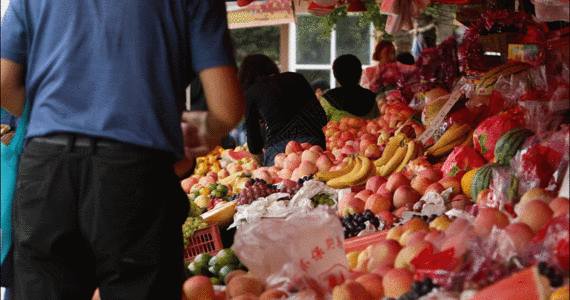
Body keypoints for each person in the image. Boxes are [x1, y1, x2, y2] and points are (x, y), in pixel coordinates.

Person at [1, 1, 246, 299]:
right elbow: (226, 107)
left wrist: (49, 120)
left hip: (46, 171)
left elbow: (4, 83)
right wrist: (203, 130)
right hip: (134, 171)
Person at [238, 54, 327, 167]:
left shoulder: (251, 93)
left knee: (281, 184)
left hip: (279, 150)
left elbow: (253, 139)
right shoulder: (298, 78)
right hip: (313, 145)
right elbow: (321, 117)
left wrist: (260, 165)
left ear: (246, 77)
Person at [320, 54, 379, 122]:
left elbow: (318, 126)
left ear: (336, 78)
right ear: (360, 75)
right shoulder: (371, 98)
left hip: (335, 132)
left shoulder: (327, 99)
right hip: (366, 132)